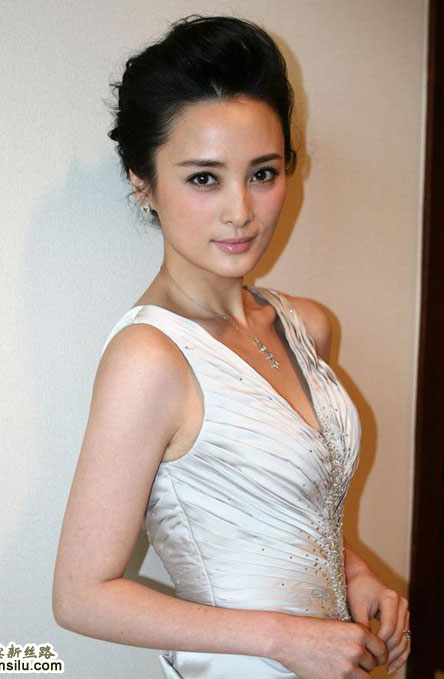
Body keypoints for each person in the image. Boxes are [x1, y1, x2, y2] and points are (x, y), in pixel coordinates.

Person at [52, 14, 410, 679]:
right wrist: (286, 639)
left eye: (263, 173)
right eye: (204, 178)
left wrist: (358, 575)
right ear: (142, 182)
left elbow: (293, 511)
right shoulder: (149, 359)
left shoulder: (305, 325)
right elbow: (80, 595)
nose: (241, 211)